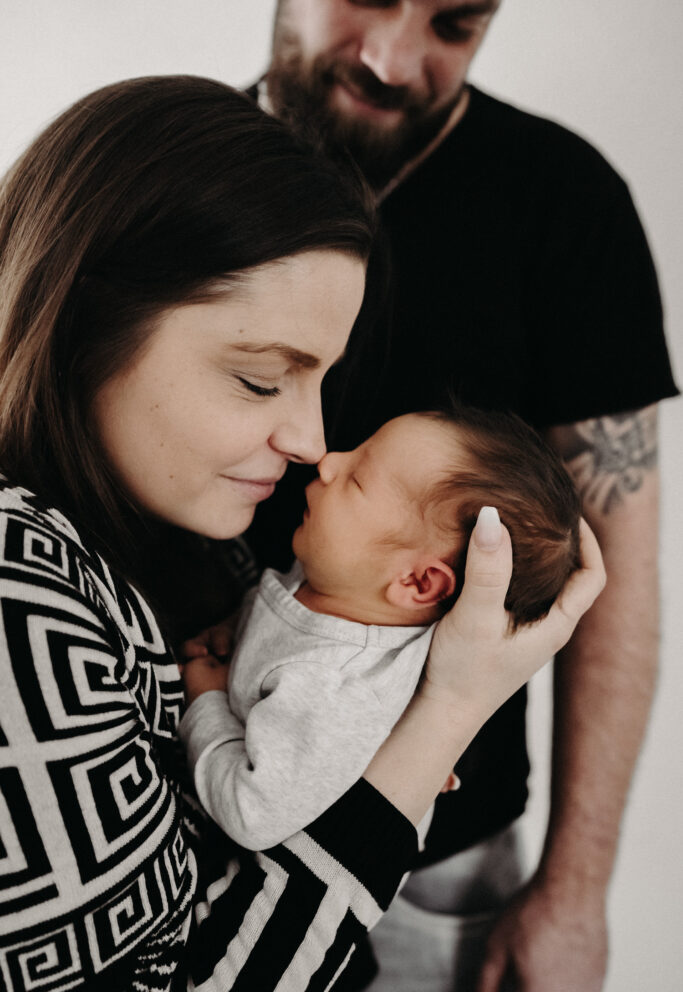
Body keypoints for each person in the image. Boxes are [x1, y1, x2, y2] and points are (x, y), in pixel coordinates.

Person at [0, 74, 605, 992]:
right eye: (258, 379)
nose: (311, 442)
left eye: (319, 379)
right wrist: (439, 722)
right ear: (86, 323)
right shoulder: (17, 596)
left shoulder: (196, 545)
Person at [242, 0, 680, 989]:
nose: (393, 59)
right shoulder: (176, 171)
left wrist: (573, 888)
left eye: (456, 22)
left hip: (433, 874)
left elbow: (613, 584)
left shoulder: (562, 205)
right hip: (184, 818)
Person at [179, 406, 580, 856]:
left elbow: (252, 814)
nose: (328, 461)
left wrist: (206, 703)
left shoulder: (337, 689)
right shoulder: (340, 583)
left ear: (416, 582)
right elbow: (284, 617)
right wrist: (238, 628)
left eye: (356, 480)